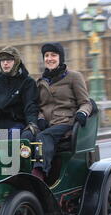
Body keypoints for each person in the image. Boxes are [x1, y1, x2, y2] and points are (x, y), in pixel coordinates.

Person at [31, 42, 93, 180]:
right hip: (48, 125)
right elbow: (39, 106)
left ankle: (39, 175)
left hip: (66, 123)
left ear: (61, 58)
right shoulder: (41, 82)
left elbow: (86, 103)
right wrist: (40, 118)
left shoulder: (74, 77)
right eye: (46, 56)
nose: (49, 58)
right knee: (26, 137)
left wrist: (82, 113)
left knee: (43, 138)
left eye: (53, 55)